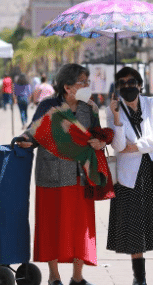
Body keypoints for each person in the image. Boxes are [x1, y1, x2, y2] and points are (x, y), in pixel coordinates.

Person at [17, 64, 107, 285]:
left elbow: (97, 134)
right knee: (51, 225)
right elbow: (33, 131)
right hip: (52, 175)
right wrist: (26, 142)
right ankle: (54, 276)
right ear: (67, 87)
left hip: (81, 174)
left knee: (80, 226)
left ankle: (78, 277)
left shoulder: (90, 108)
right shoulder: (48, 106)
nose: (87, 86)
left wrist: (101, 141)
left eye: (88, 82)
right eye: (82, 82)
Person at [106, 67, 153, 285]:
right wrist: (117, 117)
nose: (127, 86)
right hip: (130, 175)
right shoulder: (112, 109)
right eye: (122, 83)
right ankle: (139, 278)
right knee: (134, 224)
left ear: (139, 84)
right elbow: (118, 146)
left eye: (131, 82)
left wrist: (137, 146)